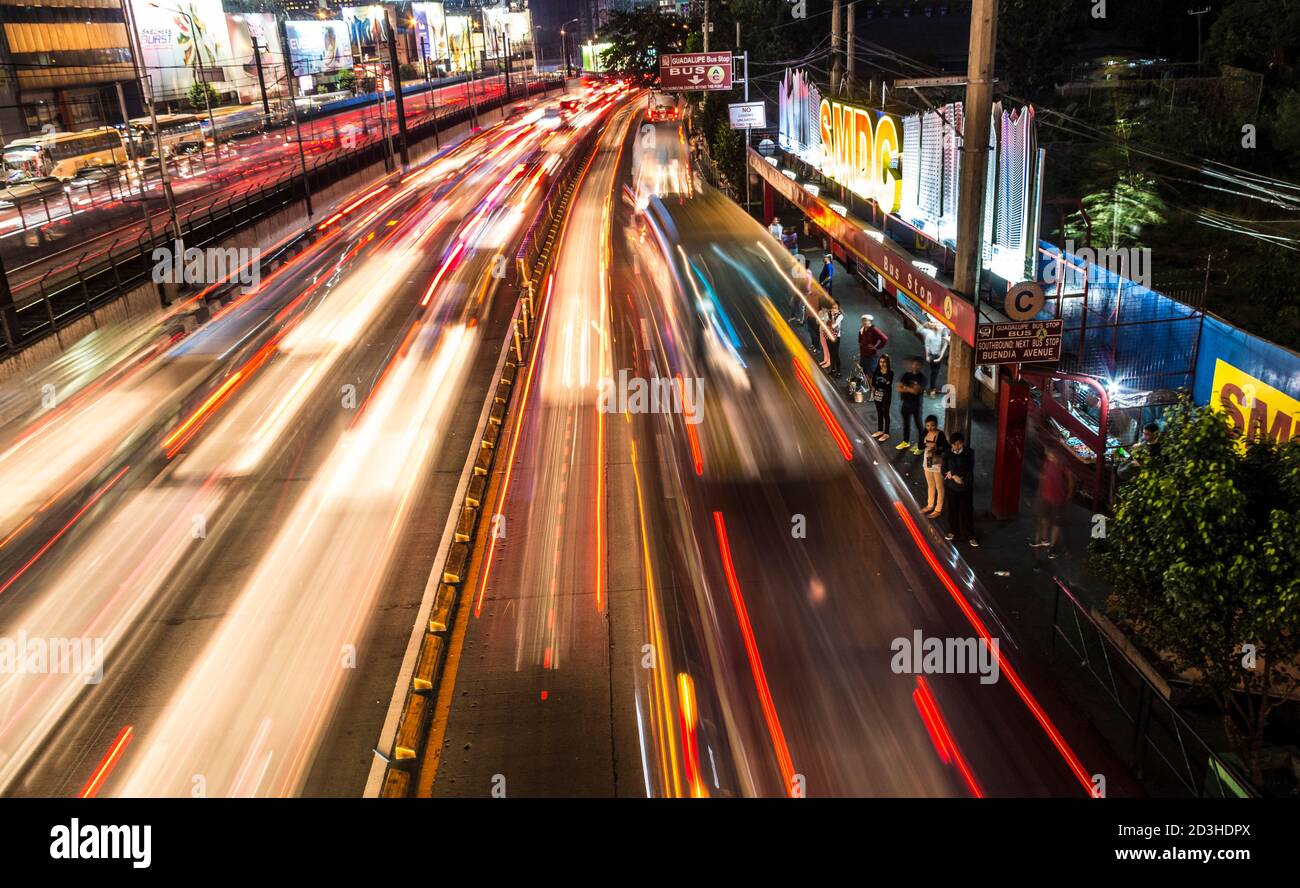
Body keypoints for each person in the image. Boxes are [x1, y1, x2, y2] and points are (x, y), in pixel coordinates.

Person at [1032, 445, 1073, 559]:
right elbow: (1043, 479)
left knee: (1056, 523)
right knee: (1045, 519)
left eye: (1050, 454)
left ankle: (1052, 546)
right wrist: (1040, 494)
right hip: (1046, 498)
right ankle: (1045, 539)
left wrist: (1068, 496)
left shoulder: (1063, 465)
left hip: (1058, 499)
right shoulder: (1047, 464)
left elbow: (1070, 481)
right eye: (1048, 455)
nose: (1049, 456)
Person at [942, 432, 977, 546]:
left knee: (967, 512)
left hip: (966, 487)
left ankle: (970, 535)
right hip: (951, 487)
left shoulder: (969, 452)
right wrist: (954, 477)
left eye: (959, 444)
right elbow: (943, 470)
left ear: (962, 443)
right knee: (952, 510)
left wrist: (952, 472)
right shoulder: (947, 454)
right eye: (954, 444)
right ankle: (953, 531)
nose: (956, 447)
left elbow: (968, 467)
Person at [896, 357, 926, 452]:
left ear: (920, 366)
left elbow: (916, 391)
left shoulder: (922, 378)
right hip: (905, 404)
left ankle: (921, 445)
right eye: (914, 364)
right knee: (906, 424)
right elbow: (898, 388)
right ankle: (906, 441)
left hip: (915, 405)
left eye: (918, 365)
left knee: (918, 425)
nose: (915, 366)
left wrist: (906, 387)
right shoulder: (906, 375)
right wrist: (910, 388)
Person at [921, 415, 948, 518]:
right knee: (930, 484)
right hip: (927, 462)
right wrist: (926, 445)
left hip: (937, 463)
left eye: (932, 425)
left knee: (939, 486)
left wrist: (936, 448)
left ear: (936, 424)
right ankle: (930, 505)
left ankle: (938, 509)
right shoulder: (924, 432)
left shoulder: (940, 434)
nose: (930, 427)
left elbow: (946, 447)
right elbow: (919, 445)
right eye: (927, 425)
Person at [870, 353, 895, 442]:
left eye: (884, 362)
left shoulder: (891, 373)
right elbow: (873, 383)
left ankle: (886, 433)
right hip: (877, 395)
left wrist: (879, 384)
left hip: (886, 396)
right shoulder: (876, 371)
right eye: (880, 362)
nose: (882, 363)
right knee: (879, 413)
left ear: (887, 362)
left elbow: (887, 385)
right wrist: (880, 385)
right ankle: (880, 430)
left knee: (885, 413)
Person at [922, 318, 949, 397]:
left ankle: (932, 389)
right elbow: (927, 345)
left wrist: (940, 357)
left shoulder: (943, 335)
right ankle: (925, 388)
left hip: (937, 355)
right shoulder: (930, 335)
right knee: (928, 372)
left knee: (934, 373)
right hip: (931, 355)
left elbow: (945, 345)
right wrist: (927, 356)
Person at [825, 302, 844, 376]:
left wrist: (832, 317)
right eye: (833, 307)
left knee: (835, 354)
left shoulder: (840, 316)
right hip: (828, 336)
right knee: (831, 353)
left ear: (838, 309)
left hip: (836, 337)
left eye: (836, 308)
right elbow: (824, 322)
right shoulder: (828, 313)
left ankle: (838, 372)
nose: (834, 309)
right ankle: (832, 369)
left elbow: (833, 326)